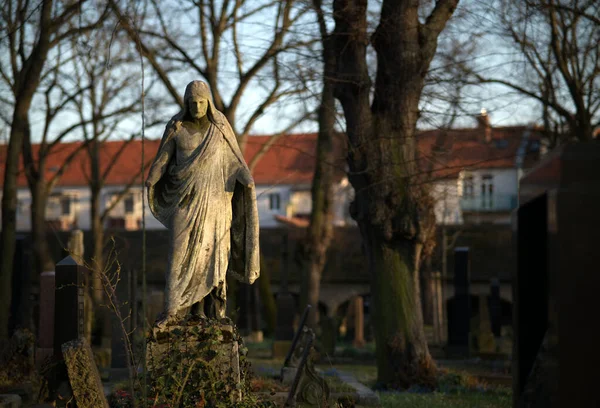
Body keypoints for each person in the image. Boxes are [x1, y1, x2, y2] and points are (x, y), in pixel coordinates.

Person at [146, 80, 259, 323]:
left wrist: (245, 177)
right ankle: (173, 312)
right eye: (192, 102)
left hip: (215, 205)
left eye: (201, 102)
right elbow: (163, 160)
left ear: (208, 102)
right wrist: (152, 178)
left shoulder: (219, 129)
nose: (197, 106)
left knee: (211, 257)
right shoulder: (176, 128)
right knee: (179, 255)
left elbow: (233, 163)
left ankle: (207, 313)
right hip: (184, 202)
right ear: (186, 103)